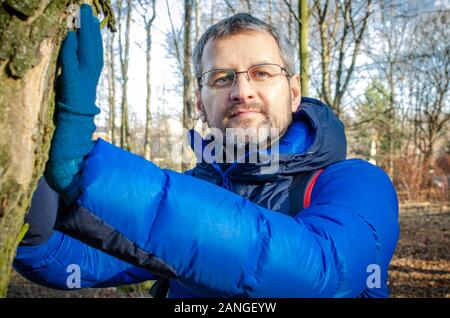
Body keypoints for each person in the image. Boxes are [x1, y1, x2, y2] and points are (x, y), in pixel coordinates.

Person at [13, 4, 399, 298]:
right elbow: (77, 263)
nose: (242, 90)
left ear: (294, 91)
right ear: (200, 102)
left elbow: (321, 272)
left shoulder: (356, 181)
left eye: (262, 73)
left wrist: (87, 171)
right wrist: (32, 198)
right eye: (222, 78)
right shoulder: (192, 188)